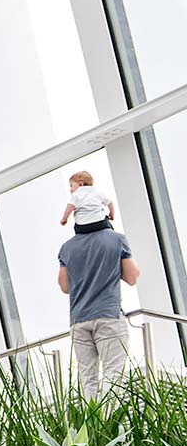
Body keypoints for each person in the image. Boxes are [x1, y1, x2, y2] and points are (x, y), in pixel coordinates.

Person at [58, 221, 139, 398]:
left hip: (79, 320)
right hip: (108, 316)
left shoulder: (67, 248)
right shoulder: (116, 240)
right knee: (114, 376)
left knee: (88, 380)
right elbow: (132, 277)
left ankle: (93, 424)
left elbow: (65, 286)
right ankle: (108, 423)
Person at [59, 170, 115, 234]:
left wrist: (64, 219)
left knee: (77, 228)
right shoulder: (97, 193)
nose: (70, 189)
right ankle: (111, 232)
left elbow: (70, 206)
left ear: (80, 184)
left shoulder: (76, 195)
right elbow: (110, 203)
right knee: (108, 224)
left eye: (71, 185)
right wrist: (112, 214)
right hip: (100, 222)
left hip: (83, 225)